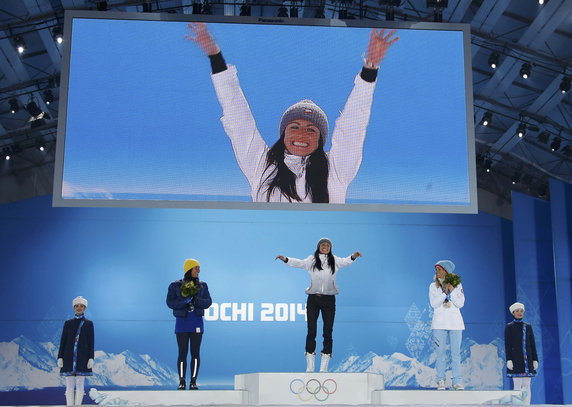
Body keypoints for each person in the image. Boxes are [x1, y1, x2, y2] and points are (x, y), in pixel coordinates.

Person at [185, 23, 398, 203]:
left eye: (311, 129)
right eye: (294, 127)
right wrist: (215, 57)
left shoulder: (336, 170)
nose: (302, 135)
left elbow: (353, 124)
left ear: (321, 139)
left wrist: (370, 68)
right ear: (283, 133)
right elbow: (237, 116)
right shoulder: (260, 164)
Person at [276, 238, 362, 372]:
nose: (325, 246)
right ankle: (310, 366)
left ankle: (324, 366)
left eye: (327, 245)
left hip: (329, 300)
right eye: (323, 245)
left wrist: (353, 256)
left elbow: (346, 262)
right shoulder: (312, 260)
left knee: (328, 331)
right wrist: (286, 259)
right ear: (318, 247)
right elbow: (299, 263)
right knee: (311, 330)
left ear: (330, 248)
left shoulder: (334, 260)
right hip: (313, 299)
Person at [166, 258, 212, 390]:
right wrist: (185, 301)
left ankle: (193, 381)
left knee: (195, 353)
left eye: (199, 268)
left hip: (197, 322)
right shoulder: (175, 285)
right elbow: (170, 303)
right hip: (182, 322)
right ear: (189, 269)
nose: (199, 270)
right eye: (196, 268)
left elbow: (208, 302)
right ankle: (181, 381)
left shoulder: (203, 285)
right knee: (182, 352)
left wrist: (196, 300)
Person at [429, 260, 465, 390]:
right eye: (436, 270)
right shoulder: (433, 286)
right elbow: (434, 303)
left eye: (439, 269)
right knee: (440, 353)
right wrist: (444, 292)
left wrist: (452, 290)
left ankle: (457, 381)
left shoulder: (457, 285)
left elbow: (460, 303)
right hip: (439, 323)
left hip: (455, 323)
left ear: (446, 271)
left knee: (456, 354)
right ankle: (441, 380)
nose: (437, 272)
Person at [57, 296, 94, 406]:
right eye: (77, 306)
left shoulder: (89, 324)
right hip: (68, 358)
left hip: (82, 358)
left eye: (81, 306)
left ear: (85, 308)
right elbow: (63, 341)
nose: (79, 308)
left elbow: (91, 342)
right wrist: (60, 356)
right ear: (74, 307)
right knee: (69, 386)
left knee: (80, 386)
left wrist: (91, 357)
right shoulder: (68, 323)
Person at [505, 302, 538, 402]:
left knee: (527, 385)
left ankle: (527, 403)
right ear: (513, 313)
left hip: (528, 360)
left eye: (521, 311)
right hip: (516, 360)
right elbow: (508, 345)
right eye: (517, 311)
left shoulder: (528, 327)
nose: (519, 313)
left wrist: (535, 359)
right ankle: (517, 404)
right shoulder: (509, 327)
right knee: (517, 385)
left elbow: (532, 344)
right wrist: (509, 360)